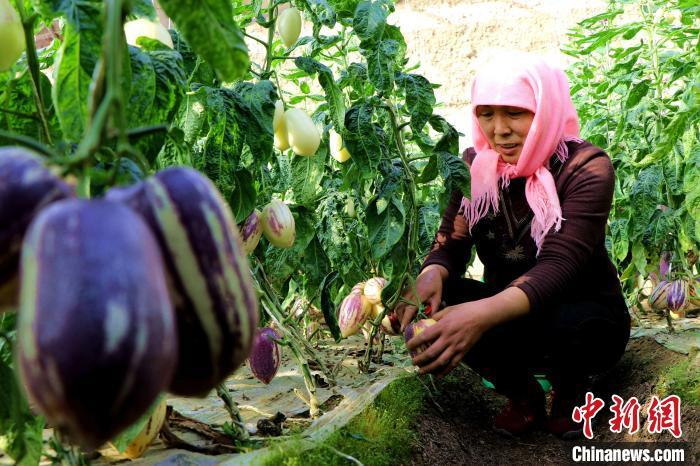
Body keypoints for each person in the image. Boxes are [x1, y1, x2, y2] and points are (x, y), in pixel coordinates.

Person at [395, 51, 631, 439]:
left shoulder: (585, 167)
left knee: (573, 324)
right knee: (443, 298)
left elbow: (559, 266)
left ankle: (572, 392)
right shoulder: (473, 166)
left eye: (515, 113)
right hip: (509, 318)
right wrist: (431, 272)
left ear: (545, 109)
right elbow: (452, 242)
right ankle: (522, 395)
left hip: (582, 320)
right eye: (486, 114)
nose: (499, 130)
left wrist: (477, 316)